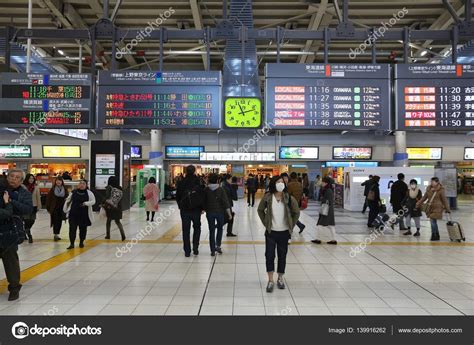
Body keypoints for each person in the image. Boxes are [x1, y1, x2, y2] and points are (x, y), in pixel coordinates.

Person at [257, 176, 300, 293]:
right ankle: (270, 280)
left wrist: (291, 225)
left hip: (284, 233)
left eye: (282, 182)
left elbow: (296, 212)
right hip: (271, 232)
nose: (281, 184)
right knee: (269, 255)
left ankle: (280, 278)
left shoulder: (289, 198)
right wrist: (266, 222)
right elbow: (260, 210)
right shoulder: (267, 197)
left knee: (282, 255)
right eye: (278, 182)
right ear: (273, 184)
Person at [2, 170, 33, 301]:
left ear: (21, 181)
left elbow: (27, 209)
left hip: (10, 231)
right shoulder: (1, 189)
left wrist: (11, 201)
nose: (13, 179)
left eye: (17, 178)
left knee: (10, 261)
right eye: (11, 176)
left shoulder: (24, 193)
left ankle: (14, 287)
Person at [176, 165, 203, 257]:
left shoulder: (181, 182)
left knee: (186, 230)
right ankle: (195, 247)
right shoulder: (198, 182)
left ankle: (187, 251)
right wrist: (202, 208)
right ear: (194, 171)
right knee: (197, 227)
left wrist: (180, 205)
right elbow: (202, 195)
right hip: (196, 209)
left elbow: (177, 196)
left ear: (186, 171)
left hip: (184, 210)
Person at [204, 173, 232, 256]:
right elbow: (225, 202)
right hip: (220, 212)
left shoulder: (206, 189)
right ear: (217, 180)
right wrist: (229, 214)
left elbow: (203, 201)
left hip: (210, 213)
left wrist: (204, 209)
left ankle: (212, 250)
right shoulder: (221, 189)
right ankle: (218, 245)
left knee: (211, 231)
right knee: (220, 229)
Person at [63, 179, 96, 249]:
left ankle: (81, 241)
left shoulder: (89, 193)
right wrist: (65, 209)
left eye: (83, 183)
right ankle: (72, 243)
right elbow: (68, 200)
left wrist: (86, 203)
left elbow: (93, 201)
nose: (81, 185)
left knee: (83, 229)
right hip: (73, 214)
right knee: (72, 229)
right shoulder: (73, 192)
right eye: (80, 183)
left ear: (86, 185)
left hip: (84, 215)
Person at [416, 177, 451, 241]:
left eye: (433, 182)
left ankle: (434, 235)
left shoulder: (441, 190)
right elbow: (424, 197)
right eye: (431, 181)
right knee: (434, 222)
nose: (431, 183)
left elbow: (444, 200)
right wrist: (418, 203)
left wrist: (447, 209)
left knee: (432, 221)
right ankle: (437, 235)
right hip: (430, 208)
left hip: (438, 208)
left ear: (437, 182)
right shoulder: (428, 189)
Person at [311, 176, 337, 245]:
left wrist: (323, 204)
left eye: (323, 181)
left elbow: (327, 200)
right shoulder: (329, 189)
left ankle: (318, 239)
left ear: (326, 183)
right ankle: (333, 239)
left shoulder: (328, 190)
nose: (321, 183)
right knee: (331, 225)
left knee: (320, 225)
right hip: (329, 210)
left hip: (326, 210)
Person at [45, 177, 68, 241]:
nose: (58, 182)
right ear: (55, 182)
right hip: (54, 208)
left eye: (60, 181)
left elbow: (67, 198)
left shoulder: (65, 189)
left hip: (62, 208)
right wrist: (48, 208)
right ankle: (55, 234)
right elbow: (48, 199)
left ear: (62, 182)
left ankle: (57, 234)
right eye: (57, 181)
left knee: (59, 221)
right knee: (55, 221)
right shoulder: (52, 190)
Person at [104, 176, 126, 241]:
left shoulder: (110, 188)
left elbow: (107, 197)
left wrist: (103, 203)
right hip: (118, 207)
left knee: (108, 221)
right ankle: (123, 235)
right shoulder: (120, 188)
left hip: (110, 207)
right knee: (118, 221)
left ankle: (108, 235)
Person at [22, 173, 41, 243]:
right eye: (30, 178)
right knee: (27, 220)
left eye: (32, 178)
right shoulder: (23, 187)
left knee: (32, 220)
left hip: (34, 206)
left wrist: (39, 206)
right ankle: (29, 235)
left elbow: (38, 197)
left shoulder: (36, 187)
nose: (31, 180)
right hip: (25, 206)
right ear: (27, 179)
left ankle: (25, 231)